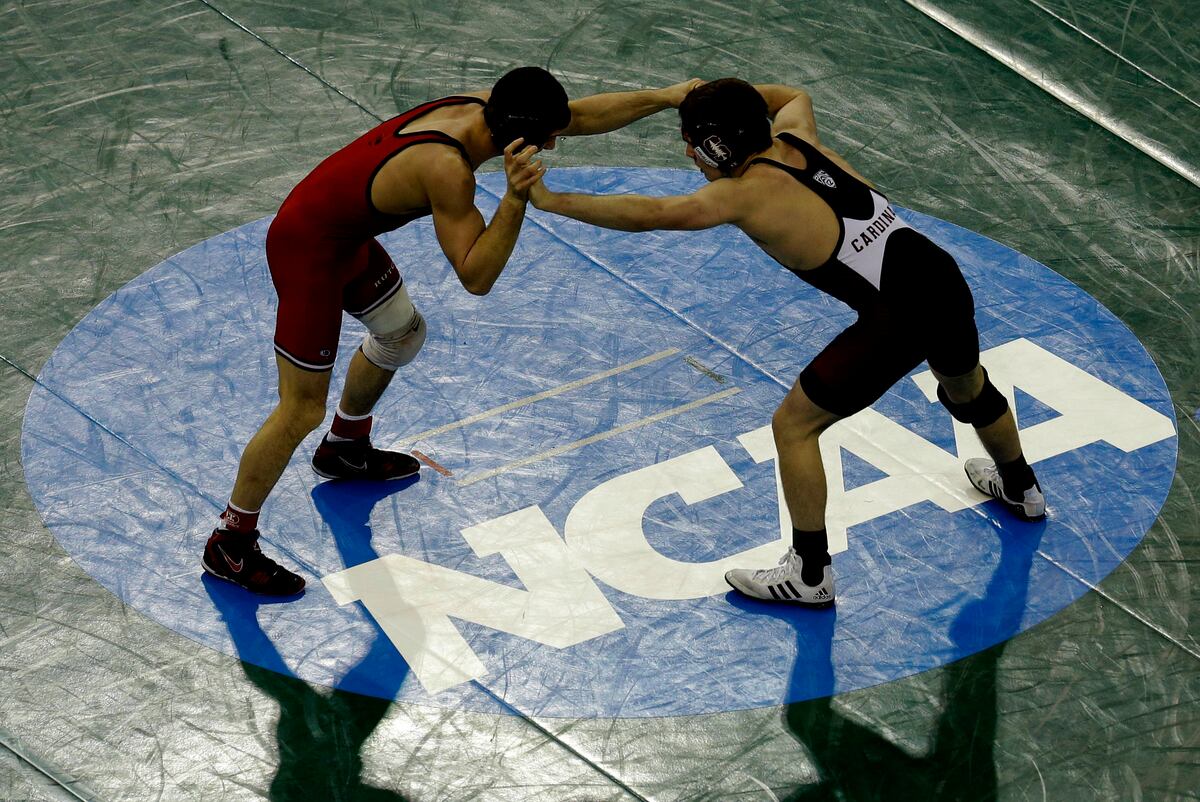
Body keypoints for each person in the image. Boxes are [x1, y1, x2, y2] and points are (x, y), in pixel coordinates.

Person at [529, 78, 1046, 607]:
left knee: (793, 427)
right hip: (940, 279)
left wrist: (551, 200)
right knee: (967, 389)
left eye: (692, 140)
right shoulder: (798, 138)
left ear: (720, 144)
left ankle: (809, 572)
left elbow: (653, 216)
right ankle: (1023, 489)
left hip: (897, 317)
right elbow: (791, 94)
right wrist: (710, 94)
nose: (688, 151)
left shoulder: (743, 194)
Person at [203, 67, 703, 596]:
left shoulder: (486, 106)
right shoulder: (447, 168)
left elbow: (579, 116)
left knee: (401, 334)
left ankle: (344, 447)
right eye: (548, 138)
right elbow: (476, 275)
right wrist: (515, 198)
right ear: (519, 131)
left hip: (342, 237)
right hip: (307, 251)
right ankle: (229, 541)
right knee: (300, 408)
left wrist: (667, 98)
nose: (556, 142)